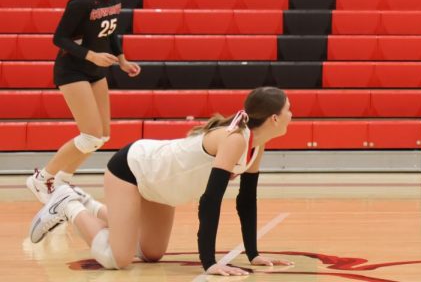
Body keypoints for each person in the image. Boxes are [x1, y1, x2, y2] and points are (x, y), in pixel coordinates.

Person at [30, 87, 295, 276]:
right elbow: (210, 200)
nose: (291, 114)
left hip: (161, 190)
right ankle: (68, 204)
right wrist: (209, 262)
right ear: (274, 118)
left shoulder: (256, 147)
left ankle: (88, 202)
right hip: (133, 169)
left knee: (152, 253)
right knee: (118, 259)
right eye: (288, 110)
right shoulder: (235, 139)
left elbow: (246, 202)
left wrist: (253, 254)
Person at [27, 0, 140, 203]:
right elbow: (59, 39)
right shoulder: (81, 0)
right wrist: (91, 56)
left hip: (95, 70)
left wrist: (121, 59)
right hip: (72, 70)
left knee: (101, 136)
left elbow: (109, 31)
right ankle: (42, 178)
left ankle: (62, 181)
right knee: (89, 134)